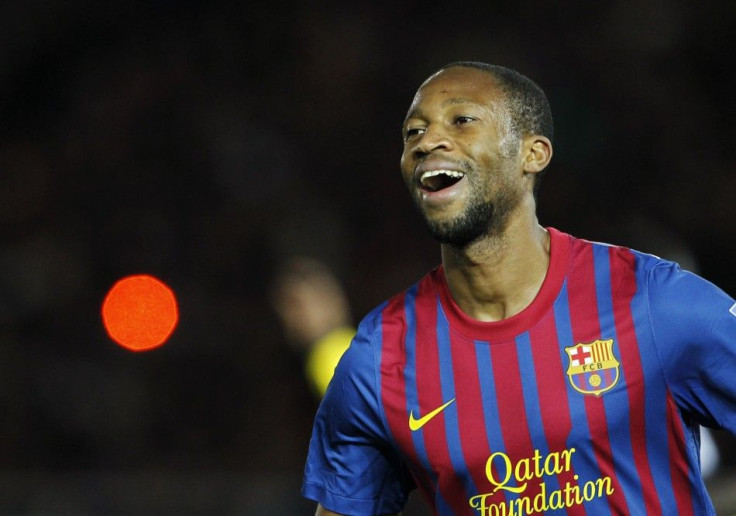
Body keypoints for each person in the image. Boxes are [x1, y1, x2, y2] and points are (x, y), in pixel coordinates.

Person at [301, 62, 736, 515]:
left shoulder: (652, 301)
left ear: (533, 154)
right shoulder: (379, 358)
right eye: (413, 132)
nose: (427, 141)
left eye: (462, 120)